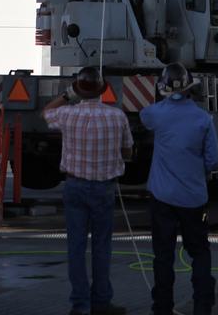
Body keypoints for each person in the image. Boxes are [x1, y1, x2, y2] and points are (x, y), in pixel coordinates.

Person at [42, 66, 133, 315]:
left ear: (79, 90)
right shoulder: (117, 117)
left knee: (76, 247)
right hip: (104, 188)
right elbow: (128, 152)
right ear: (103, 90)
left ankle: (79, 305)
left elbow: (47, 111)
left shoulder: (67, 115)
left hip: (75, 186)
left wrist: (68, 93)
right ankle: (102, 303)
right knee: (102, 247)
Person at [140, 63, 218, 315]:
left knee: (163, 255)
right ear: (190, 88)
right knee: (199, 252)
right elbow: (213, 160)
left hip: (162, 197)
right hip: (193, 197)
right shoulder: (203, 118)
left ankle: (162, 307)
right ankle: (202, 305)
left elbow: (144, 116)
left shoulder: (156, 114)